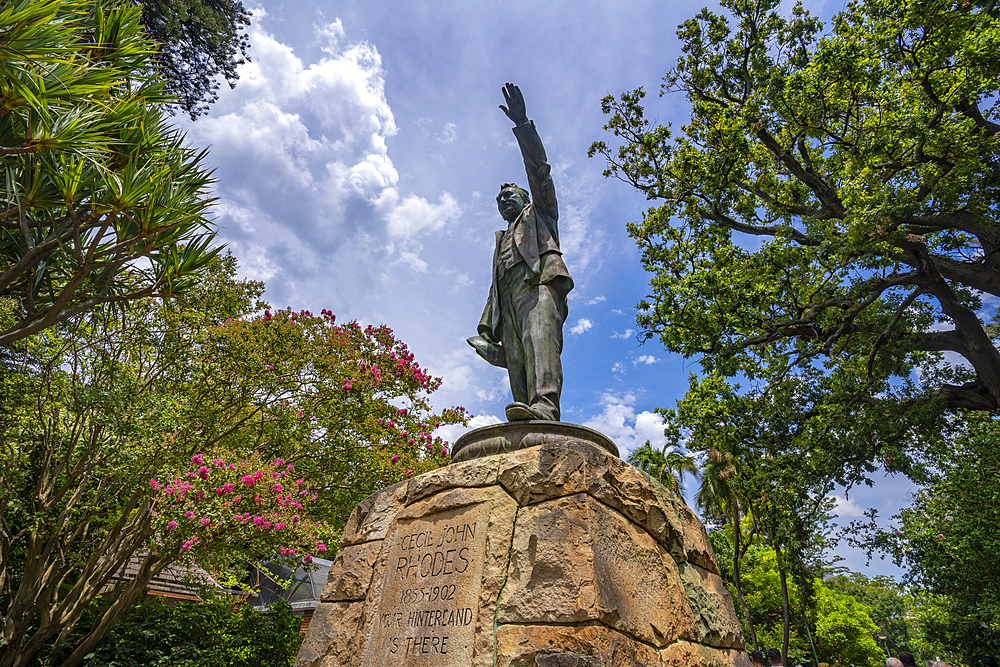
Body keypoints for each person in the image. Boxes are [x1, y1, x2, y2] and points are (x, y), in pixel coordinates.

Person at [468, 83, 573, 422]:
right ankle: (525, 410)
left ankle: (545, 405)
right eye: (499, 199)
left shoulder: (540, 213)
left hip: (538, 286)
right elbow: (496, 283)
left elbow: (539, 170)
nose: (503, 201)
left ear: (527, 199)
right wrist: (486, 327)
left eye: (510, 195)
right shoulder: (500, 239)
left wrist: (523, 126)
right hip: (510, 299)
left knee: (538, 343)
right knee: (516, 357)